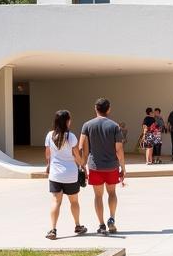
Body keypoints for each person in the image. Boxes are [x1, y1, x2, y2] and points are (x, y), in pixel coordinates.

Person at [79, 97, 126, 235]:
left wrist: (83, 165)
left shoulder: (87, 125)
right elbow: (119, 149)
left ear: (95, 108)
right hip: (111, 166)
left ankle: (101, 225)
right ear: (109, 109)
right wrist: (123, 167)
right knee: (112, 193)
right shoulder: (114, 126)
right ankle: (111, 218)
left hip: (95, 167)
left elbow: (82, 148)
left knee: (98, 196)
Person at [44, 109, 88, 239]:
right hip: (70, 174)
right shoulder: (71, 136)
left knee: (56, 201)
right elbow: (77, 155)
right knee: (74, 201)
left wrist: (49, 165)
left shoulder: (49, 135)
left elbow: (48, 154)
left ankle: (53, 229)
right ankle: (78, 225)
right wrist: (82, 165)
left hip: (55, 174)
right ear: (67, 121)